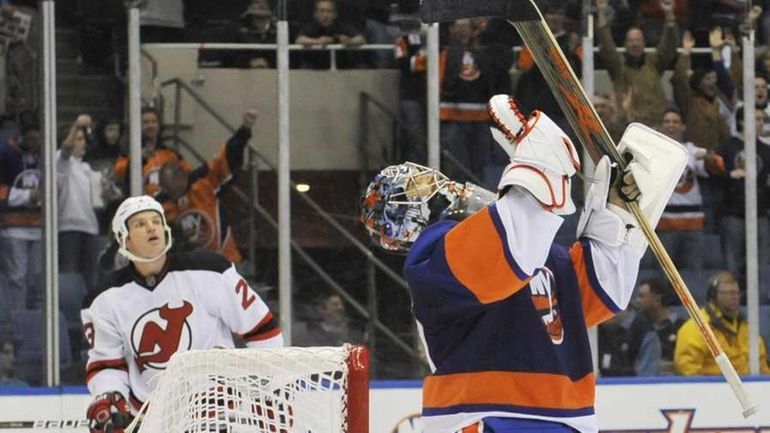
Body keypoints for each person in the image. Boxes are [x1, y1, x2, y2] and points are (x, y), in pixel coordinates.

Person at [360, 94, 685, 432]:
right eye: (418, 186)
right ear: (408, 214)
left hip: (565, 417)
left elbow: (601, 293)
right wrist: (535, 166)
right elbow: (510, 246)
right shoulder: (430, 259)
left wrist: (614, 217)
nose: (436, 184)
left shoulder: (533, 247)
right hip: (485, 416)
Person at [81, 196, 283, 432]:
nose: (151, 227)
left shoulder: (212, 271)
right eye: (139, 224)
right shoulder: (103, 300)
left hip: (216, 412)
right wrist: (110, 397)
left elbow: (262, 331)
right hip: (152, 418)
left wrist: (267, 385)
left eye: (156, 220)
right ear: (124, 240)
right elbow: (107, 364)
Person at [156, 109, 258, 264]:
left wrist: (244, 130)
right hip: (190, 269)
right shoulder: (160, 205)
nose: (166, 191)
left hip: (225, 260)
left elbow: (226, 158)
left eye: (169, 187)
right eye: (164, 187)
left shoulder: (203, 183)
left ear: (181, 179)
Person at [655, 108, 724, 269]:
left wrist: (708, 156)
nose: (671, 125)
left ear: (683, 126)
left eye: (675, 121)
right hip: (664, 225)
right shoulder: (654, 151)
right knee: (665, 277)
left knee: (693, 277)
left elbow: (718, 167)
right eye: (667, 121)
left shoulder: (691, 151)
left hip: (692, 226)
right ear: (661, 125)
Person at [595, 0, 678, 127]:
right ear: (625, 44)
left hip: (656, 124)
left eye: (638, 40)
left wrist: (669, 15)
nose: (635, 44)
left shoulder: (654, 62)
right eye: (631, 41)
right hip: (628, 125)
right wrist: (601, 12)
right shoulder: (618, 66)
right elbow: (607, 47)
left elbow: (668, 47)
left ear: (644, 43)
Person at [674, 271, 770, 375]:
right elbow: (688, 369)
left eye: (737, 293)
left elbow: (761, 365)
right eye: (729, 293)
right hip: (713, 388)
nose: (735, 297)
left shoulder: (745, 327)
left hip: (747, 387)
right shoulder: (697, 327)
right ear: (713, 295)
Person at [715, 107, 770, 275]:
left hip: (760, 213)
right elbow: (713, 174)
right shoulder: (726, 147)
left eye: (763, 120)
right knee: (732, 265)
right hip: (733, 213)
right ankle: (732, 299)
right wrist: (730, 174)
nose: (761, 123)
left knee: (762, 265)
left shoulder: (766, 150)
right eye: (756, 119)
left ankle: (760, 300)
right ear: (742, 122)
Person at [0, 120, 42, 312]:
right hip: (14, 227)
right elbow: (1, 192)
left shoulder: (42, 155)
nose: (33, 143)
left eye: (37, 139)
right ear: (21, 136)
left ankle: (35, 323)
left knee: (37, 279)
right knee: (17, 278)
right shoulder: (6, 155)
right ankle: (17, 325)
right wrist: (28, 196)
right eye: (30, 139)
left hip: (39, 227)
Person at [57, 114, 101, 291]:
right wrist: (76, 125)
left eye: (82, 139)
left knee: (90, 278)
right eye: (78, 139)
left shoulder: (86, 167)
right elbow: (66, 149)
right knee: (70, 277)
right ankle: (70, 315)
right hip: (69, 227)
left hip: (90, 227)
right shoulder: (60, 160)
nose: (82, 142)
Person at [113, 107, 191, 197]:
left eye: (154, 122)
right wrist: (140, 160)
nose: (151, 125)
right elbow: (122, 179)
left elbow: (187, 176)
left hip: (168, 207)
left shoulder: (171, 154)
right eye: (145, 122)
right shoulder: (126, 155)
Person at [627, 279, 684, 375]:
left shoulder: (680, 326)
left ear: (657, 299)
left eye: (641, 296)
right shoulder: (637, 326)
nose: (637, 300)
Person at [294, 0, 367, 69]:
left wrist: (349, 41)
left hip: (342, 68)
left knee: (361, 66)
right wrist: (317, 41)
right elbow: (299, 40)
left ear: (335, 14)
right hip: (315, 68)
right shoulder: (311, 26)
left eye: (329, 11)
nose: (325, 15)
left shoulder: (341, 26)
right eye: (321, 11)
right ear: (315, 14)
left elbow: (361, 39)